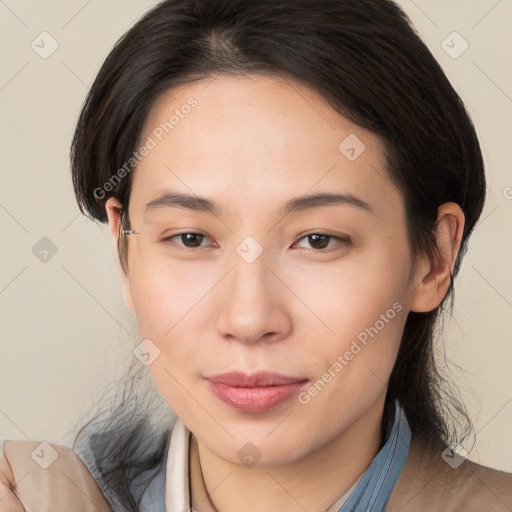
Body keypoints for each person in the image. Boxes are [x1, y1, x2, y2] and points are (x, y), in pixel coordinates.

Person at [1, 0, 511, 510]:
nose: (248, 319)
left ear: (434, 259)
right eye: (191, 239)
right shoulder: (35, 496)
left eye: (318, 240)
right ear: (124, 249)